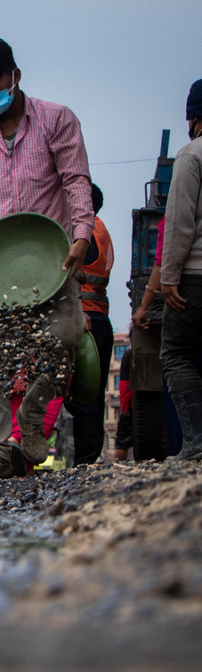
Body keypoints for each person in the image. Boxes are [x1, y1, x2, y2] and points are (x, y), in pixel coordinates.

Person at [0, 38, 92, 480]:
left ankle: (29, 426)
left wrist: (82, 232)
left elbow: (76, 180)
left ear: (15, 77)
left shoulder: (56, 120)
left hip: (51, 258)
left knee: (64, 340)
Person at [158, 79, 202, 461]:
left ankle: (196, 445)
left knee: (177, 355)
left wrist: (169, 279)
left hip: (196, 277)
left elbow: (179, 224)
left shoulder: (192, 155)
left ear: (194, 118)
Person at [64, 183, 115, 464]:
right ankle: (89, 458)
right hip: (100, 319)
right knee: (93, 394)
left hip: (85, 320)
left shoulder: (83, 234)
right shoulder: (103, 231)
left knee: (80, 394)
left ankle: (85, 460)